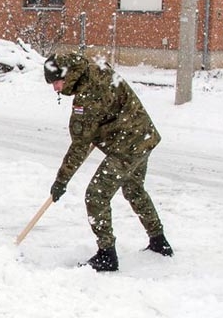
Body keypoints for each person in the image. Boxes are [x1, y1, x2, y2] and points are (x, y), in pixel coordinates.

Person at [43, 51, 171, 272]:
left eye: (57, 82)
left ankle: (107, 255)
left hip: (127, 145)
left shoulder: (86, 96)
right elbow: (110, 104)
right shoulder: (94, 67)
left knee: (96, 195)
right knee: (133, 189)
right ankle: (159, 242)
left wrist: (61, 181)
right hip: (143, 135)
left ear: (68, 75)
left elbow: (80, 146)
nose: (56, 88)